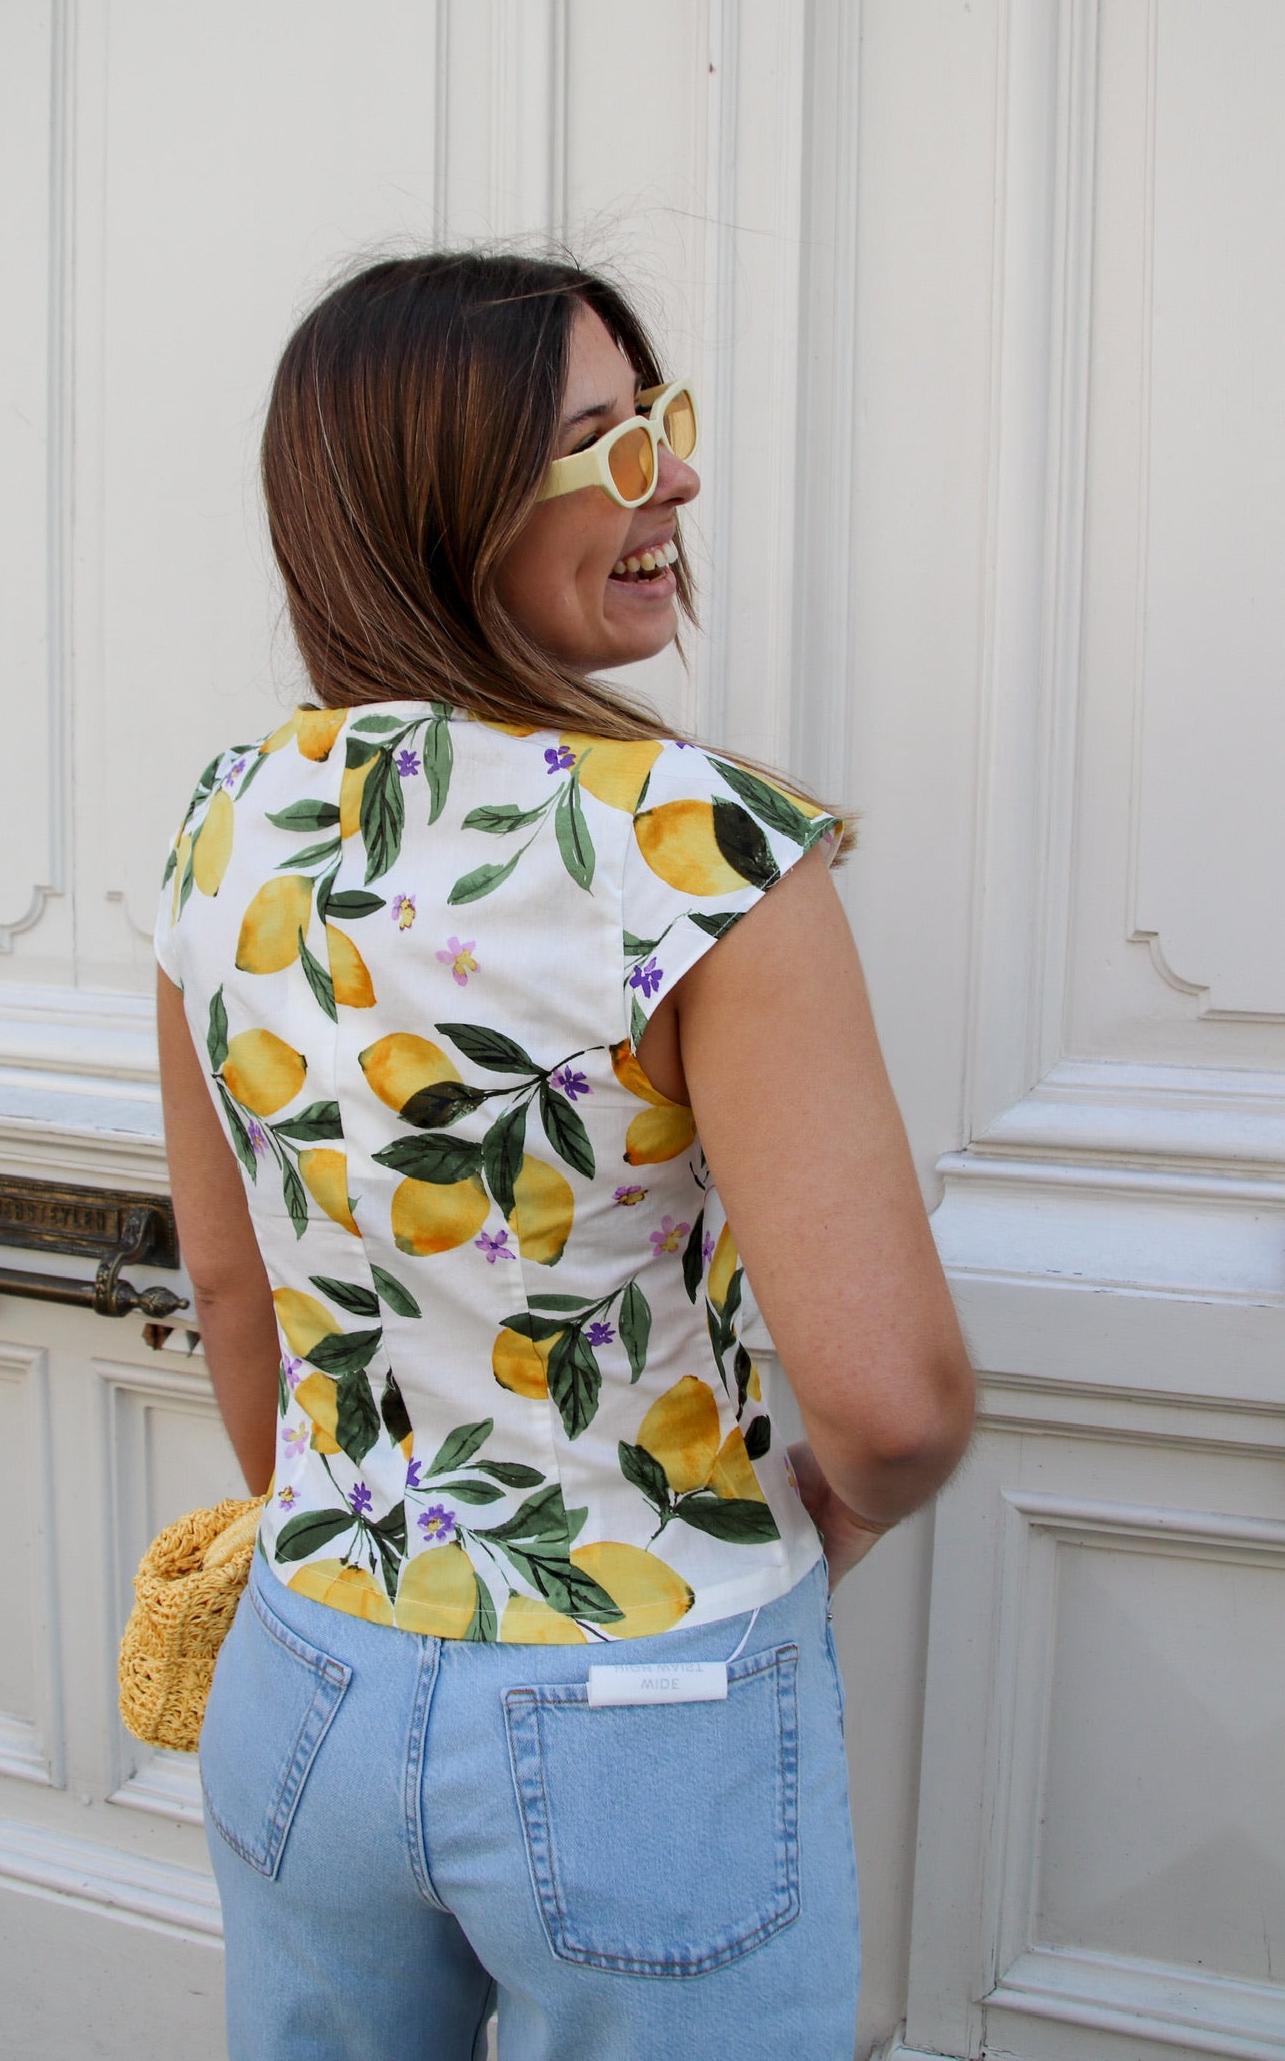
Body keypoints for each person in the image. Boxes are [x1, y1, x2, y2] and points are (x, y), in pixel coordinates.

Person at [154, 251, 975, 2061]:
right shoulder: (703, 851)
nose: (675, 475)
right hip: (644, 1702)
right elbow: (895, 1406)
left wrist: (356, 1544)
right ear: (447, 511)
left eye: (659, 417)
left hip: (312, 1670)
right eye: (603, 444)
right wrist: (810, 1530)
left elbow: (227, 1283)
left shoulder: (232, 824)